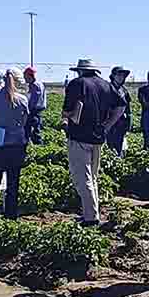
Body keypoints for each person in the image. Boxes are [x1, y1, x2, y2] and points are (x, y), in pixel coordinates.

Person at [63, 59, 126, 226]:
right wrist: (107, 126)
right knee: (93, 177)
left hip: (79, 136)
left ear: (80, 71)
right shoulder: (106, 85)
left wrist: (67, 118)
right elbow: (121, 106)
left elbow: (67, 111)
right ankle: (93, 212)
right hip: (98, 137)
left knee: (82, 179)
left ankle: (90, 218)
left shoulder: (77, 84)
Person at [0, 69, 30, 219]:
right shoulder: (22, 99)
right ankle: (11, 215)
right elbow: (24, 122)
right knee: (13, 182)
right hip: (17, 144)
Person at [105, 66, 132, 158]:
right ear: (113, 76)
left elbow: (128, 109)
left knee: (119, 144)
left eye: (123, 75)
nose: (121, 77)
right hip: (109, 123)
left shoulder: (124, 90)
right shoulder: (107, 89)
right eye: (119, 74)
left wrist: (129, 123)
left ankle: (118, 161)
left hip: (121, 123)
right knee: (109, 145)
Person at [23, 67, 47, 145]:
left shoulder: (35, 85)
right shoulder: (39, 84)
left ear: (30, 76)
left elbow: (33, 101)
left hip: (34, 111)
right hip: (37, 110)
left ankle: (36, 146)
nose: (24, 79)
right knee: (35, 129)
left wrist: (26, 111)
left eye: (25, 76)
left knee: (33, 130)